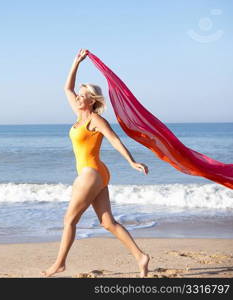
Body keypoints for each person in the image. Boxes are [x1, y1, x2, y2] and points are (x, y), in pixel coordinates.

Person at [41, 49, 151, 278]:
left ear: (92, 101)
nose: (78, 97)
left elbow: (114, 139)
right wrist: (76, 62)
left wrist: (131, 161)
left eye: (83, 96)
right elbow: (67, 88)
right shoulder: (79, 114)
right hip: (96, 173)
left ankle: (59, 264)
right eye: (79, 95)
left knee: (69, 219)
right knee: (108, 222)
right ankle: (141, 257)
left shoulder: (95, 119)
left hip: (91, 173)